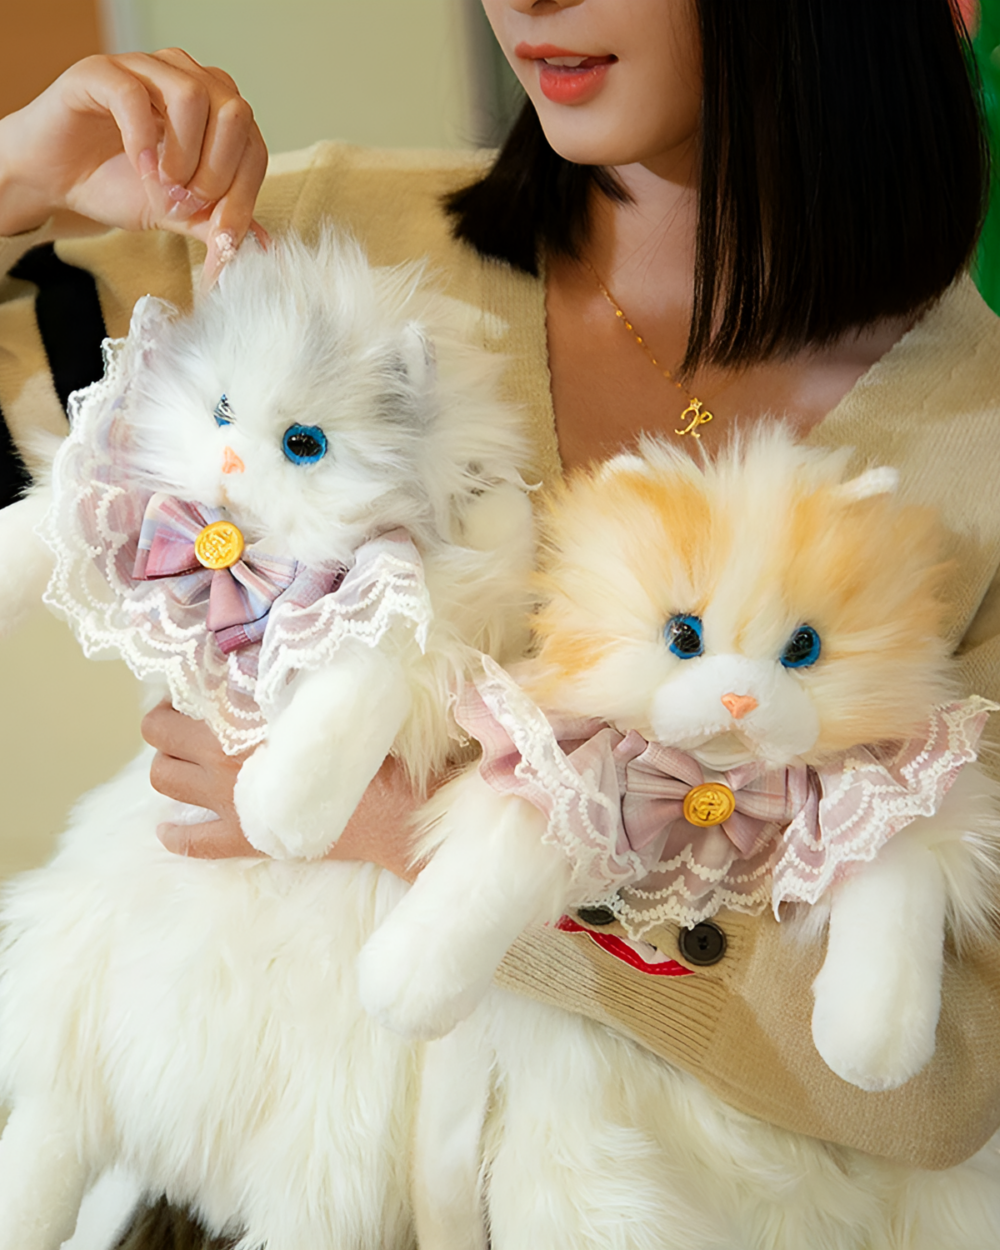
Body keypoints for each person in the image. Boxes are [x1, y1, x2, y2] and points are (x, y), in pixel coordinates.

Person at [1, 1, 999, 1245]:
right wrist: (15, 175)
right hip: (231, 1191)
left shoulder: (977, 442)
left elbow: (944, 1076)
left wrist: (430, 844)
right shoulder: (330, 238)